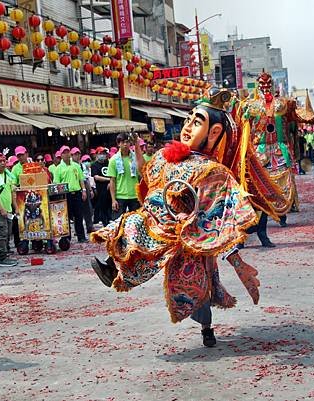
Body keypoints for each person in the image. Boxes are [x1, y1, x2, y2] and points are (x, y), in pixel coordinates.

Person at [91, 89, 261, 347]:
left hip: (191, 238)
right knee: (132, 226)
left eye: (197, 122)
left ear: (214, 133)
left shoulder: (213, 172)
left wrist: (240, 266)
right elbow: (148, 179)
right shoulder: (166, 156)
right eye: (189, 119)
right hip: (156, 223)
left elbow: (221, 221)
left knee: (196, 290)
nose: (188, 126)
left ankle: (207, 327)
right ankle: (113, 268)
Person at [52, 146, 88, 243]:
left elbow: (81, 179)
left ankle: (81, 236)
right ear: (61, 155)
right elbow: (56, 183)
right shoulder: (58, 168)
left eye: (68, 152)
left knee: (79, 216)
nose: (67, 154)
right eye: (64, 153)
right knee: (66, 217)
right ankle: (67, 238)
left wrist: (84, 190)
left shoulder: (76, 165)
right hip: (65, 195)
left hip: (76, 193)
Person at [107, 133, 140, 219]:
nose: (125, 144)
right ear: (118, 144)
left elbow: (141, 175)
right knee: (118, 223)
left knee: (136, 223)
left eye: (127, 142)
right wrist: (113, 200)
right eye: (122, 142)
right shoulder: (113, 160)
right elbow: (112, 181)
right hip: (120, 196)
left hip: (135, 195)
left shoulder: (136, 157)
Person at [91, 147, 112, 227]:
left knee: (110, 206)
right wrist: (109, 180)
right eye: (101, 153)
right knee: (102, 206)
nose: (103, 155)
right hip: (101, 189)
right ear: (96, 155)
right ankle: (104, 222)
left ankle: (110, 220)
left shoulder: (109, 163)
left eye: (104, 153)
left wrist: (111, 182)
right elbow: (96, 177)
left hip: (110, 189)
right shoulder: (94, 165)